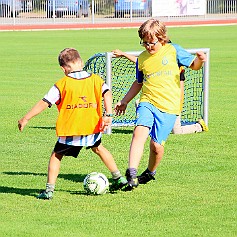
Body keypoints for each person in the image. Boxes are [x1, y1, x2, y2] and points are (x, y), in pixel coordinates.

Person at [18, 48, 127, 200]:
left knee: (56, 155)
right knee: (99, 148)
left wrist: (26, 118)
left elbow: (45, 103)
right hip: (91, 127)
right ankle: (119, 178)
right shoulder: (96, 79)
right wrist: (108, 114)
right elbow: (107, 93)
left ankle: (49, 191)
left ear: (63, 69)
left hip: (71, 129)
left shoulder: (62, 84)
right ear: (81, 62)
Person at [114, 19, 207, 190]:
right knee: (139, 131)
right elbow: (138, 82)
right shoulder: (142, 59)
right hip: (147, 102)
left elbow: (194, 66)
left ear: (162, 38)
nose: (148, 46)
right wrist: (125, 101)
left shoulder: (173, 50)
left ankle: (150, 172)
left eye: (152, 43)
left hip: (169, 107)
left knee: (156, 146)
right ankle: (132, 172)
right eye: (144, 43)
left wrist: (200, 60)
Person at [112, 50, 208, 135]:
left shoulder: (174, 60)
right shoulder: (153, 59)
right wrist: (124, 54)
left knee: (177, 131)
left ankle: (199, 126)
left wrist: (199, 60)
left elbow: (193, 67)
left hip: (173, 102)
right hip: (154, 100)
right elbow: (141, 62)